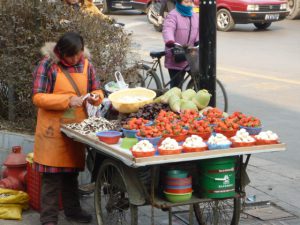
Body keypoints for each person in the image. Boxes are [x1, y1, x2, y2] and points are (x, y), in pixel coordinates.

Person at [32, 32, 104, 225]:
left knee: (71, 174)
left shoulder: (87, 64)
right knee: (51, 178)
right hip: (52, 131)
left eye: (77, 54)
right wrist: (67, 100)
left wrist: (96, 97)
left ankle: (73, 212)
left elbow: (97, 89)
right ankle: (48, 219)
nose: (74, 59)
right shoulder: (47, 64)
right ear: (60, 52)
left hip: (75, 128)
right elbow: (38, 97)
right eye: (69, 56)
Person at [162, 0, 199, 88]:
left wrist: (198, 41)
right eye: (186, 2)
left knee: (199, 79)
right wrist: (170, 41)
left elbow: (199, 30)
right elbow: (168, 29)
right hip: (176, 53)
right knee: (176, 87)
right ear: (179, 2)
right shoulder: (173, 15)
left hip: (190, 54)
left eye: (190, 2)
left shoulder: (195, 16)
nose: (189, 4)